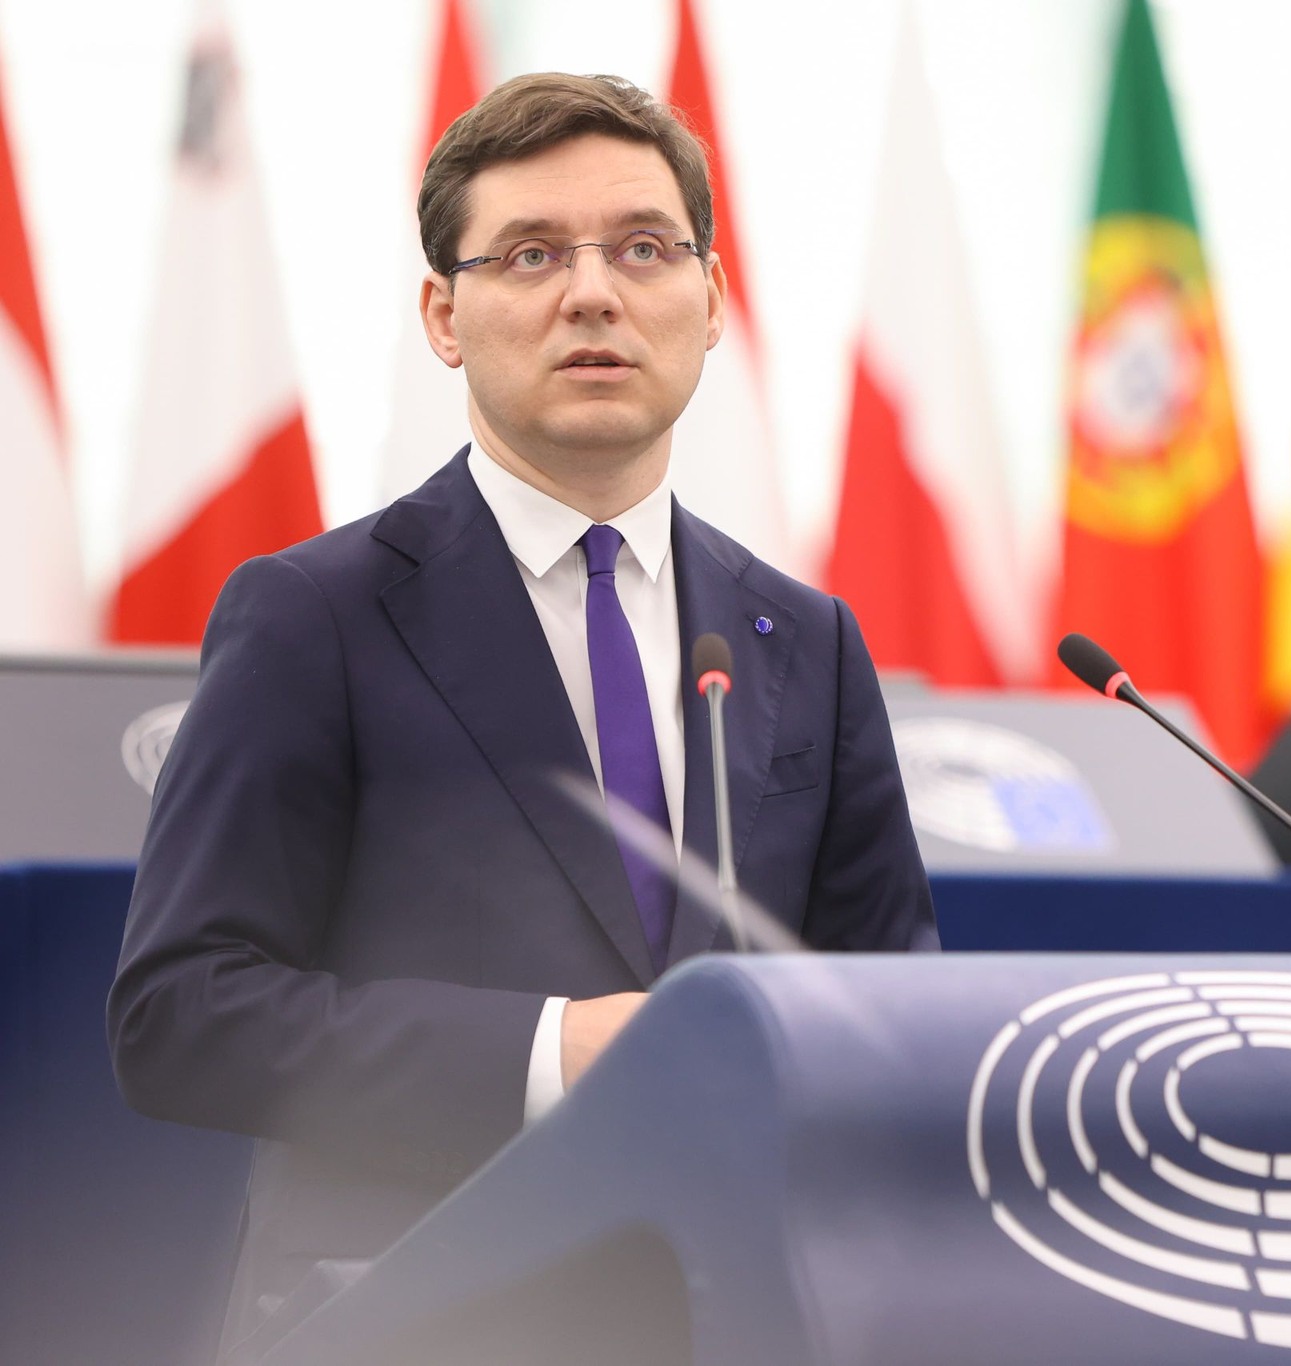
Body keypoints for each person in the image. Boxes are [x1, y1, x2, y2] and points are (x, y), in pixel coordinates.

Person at [106, 72, 937, 1362]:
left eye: (644, 248)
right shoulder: (313, 615)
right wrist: (555, 1050)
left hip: (741, 1317)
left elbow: (896, 1017)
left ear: (713, 301)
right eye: (532, 254)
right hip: (409, 1318)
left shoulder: (805, 640)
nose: (594, 293)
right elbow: (182, 1016)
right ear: (445, 316)